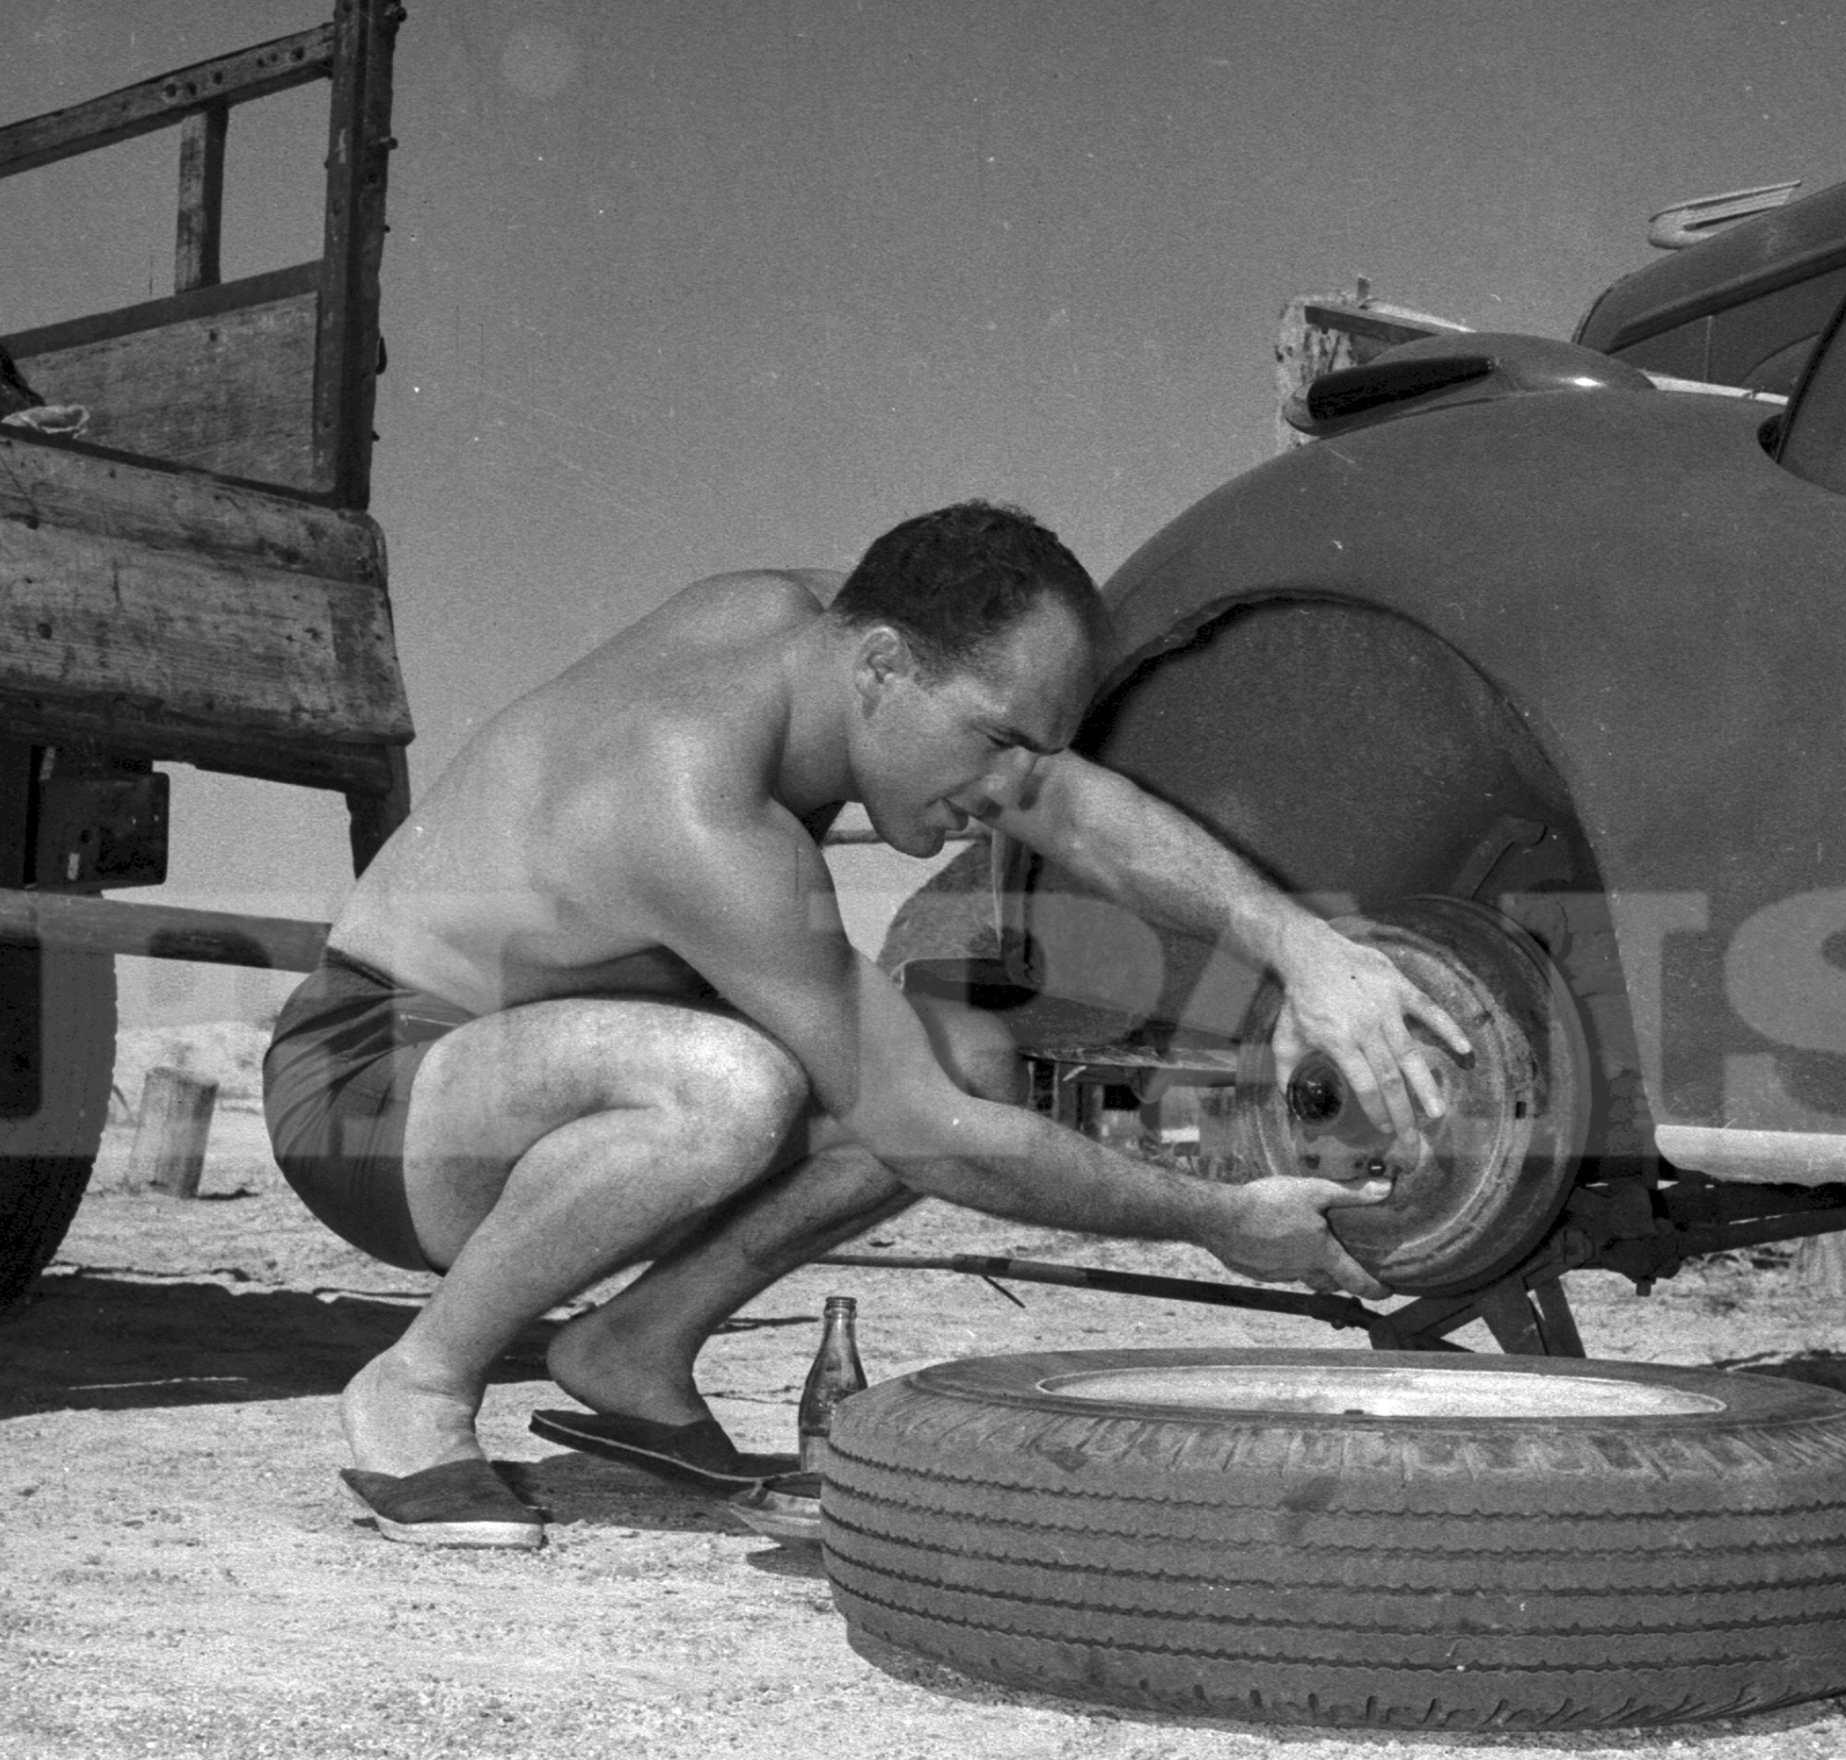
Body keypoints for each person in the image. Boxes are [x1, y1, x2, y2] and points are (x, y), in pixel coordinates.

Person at [263, 501, 1467, 1547]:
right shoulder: (691, 800)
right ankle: (417, 1385)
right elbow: (926, 1136)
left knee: (967, 1055)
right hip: (374, 1088)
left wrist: (1301, 943)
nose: (1003, 793)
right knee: (731, 1085)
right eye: (995, 741)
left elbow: (1068, 805)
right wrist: (1220, 1217)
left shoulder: (825, 632)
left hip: (551, 1059)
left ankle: (632, 1347)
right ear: (882, 668)